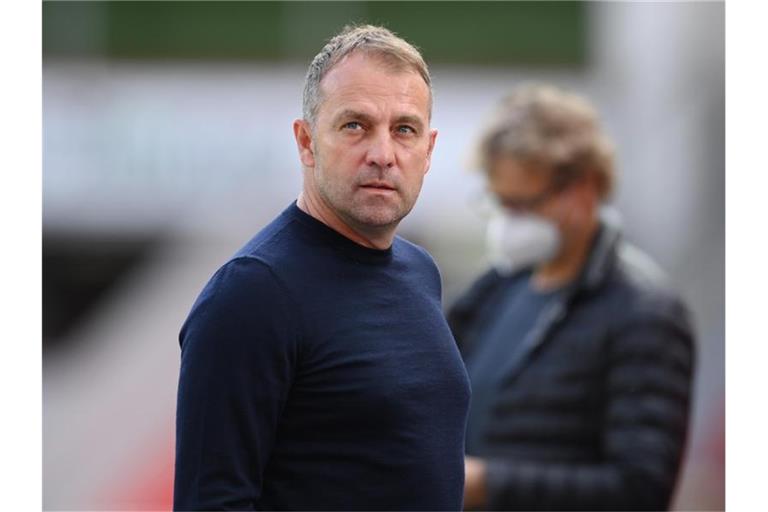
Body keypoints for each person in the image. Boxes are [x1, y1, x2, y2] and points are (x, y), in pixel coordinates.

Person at [173, 25, 471, 511]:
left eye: (404, 129)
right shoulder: (253, 293)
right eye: (355, 125)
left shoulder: (421, 273)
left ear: (429, 150)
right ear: (307, 141)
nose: (382, 154)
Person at [448, 85, 695, 511]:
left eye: (522, 205)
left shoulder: (644, 312)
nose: (508, 222)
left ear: (583, 190)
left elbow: (640, 489)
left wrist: (484, 483)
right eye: (499, 203)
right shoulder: (493, 291)